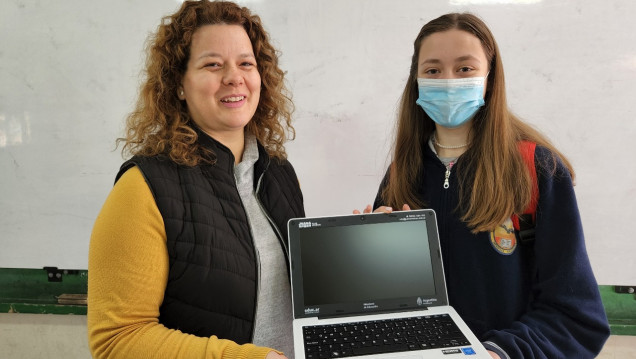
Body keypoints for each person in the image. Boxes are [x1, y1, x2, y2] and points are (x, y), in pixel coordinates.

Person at [357, 13, 610, 359]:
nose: (447, 81)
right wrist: (370, 260)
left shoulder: (537, 169)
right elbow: (389, 304)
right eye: (432, 70)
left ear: (490, 78)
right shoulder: (401, 173)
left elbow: (577, 315)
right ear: (416, 80)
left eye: (464, 69)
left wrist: (496, 352)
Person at [87, 1, 304, 358]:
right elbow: (117, 340)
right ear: (179, 85)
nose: (234, 77)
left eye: (246, 63)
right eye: (213, 64)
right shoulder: (143, 187)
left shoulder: (278, 173)